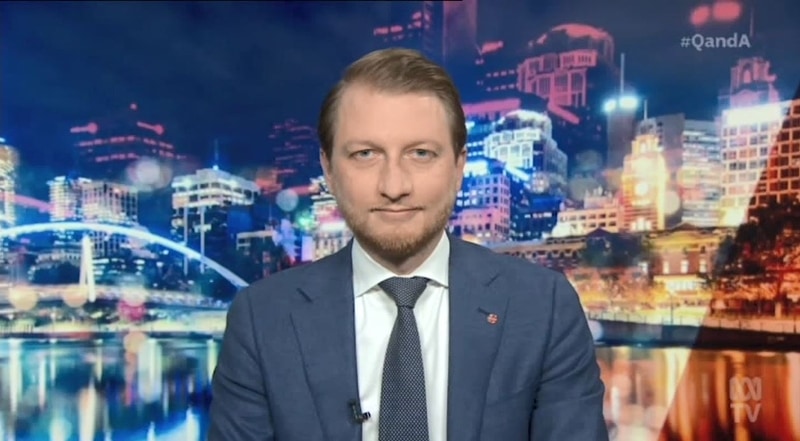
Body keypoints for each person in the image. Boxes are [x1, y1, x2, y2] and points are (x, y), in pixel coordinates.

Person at [208, 48, 608, 441]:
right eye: (365, 154)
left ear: (458, 166)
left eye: (421, 153)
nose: (394, 186)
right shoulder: (262, 319)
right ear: (329, 170)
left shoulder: (543, 308)